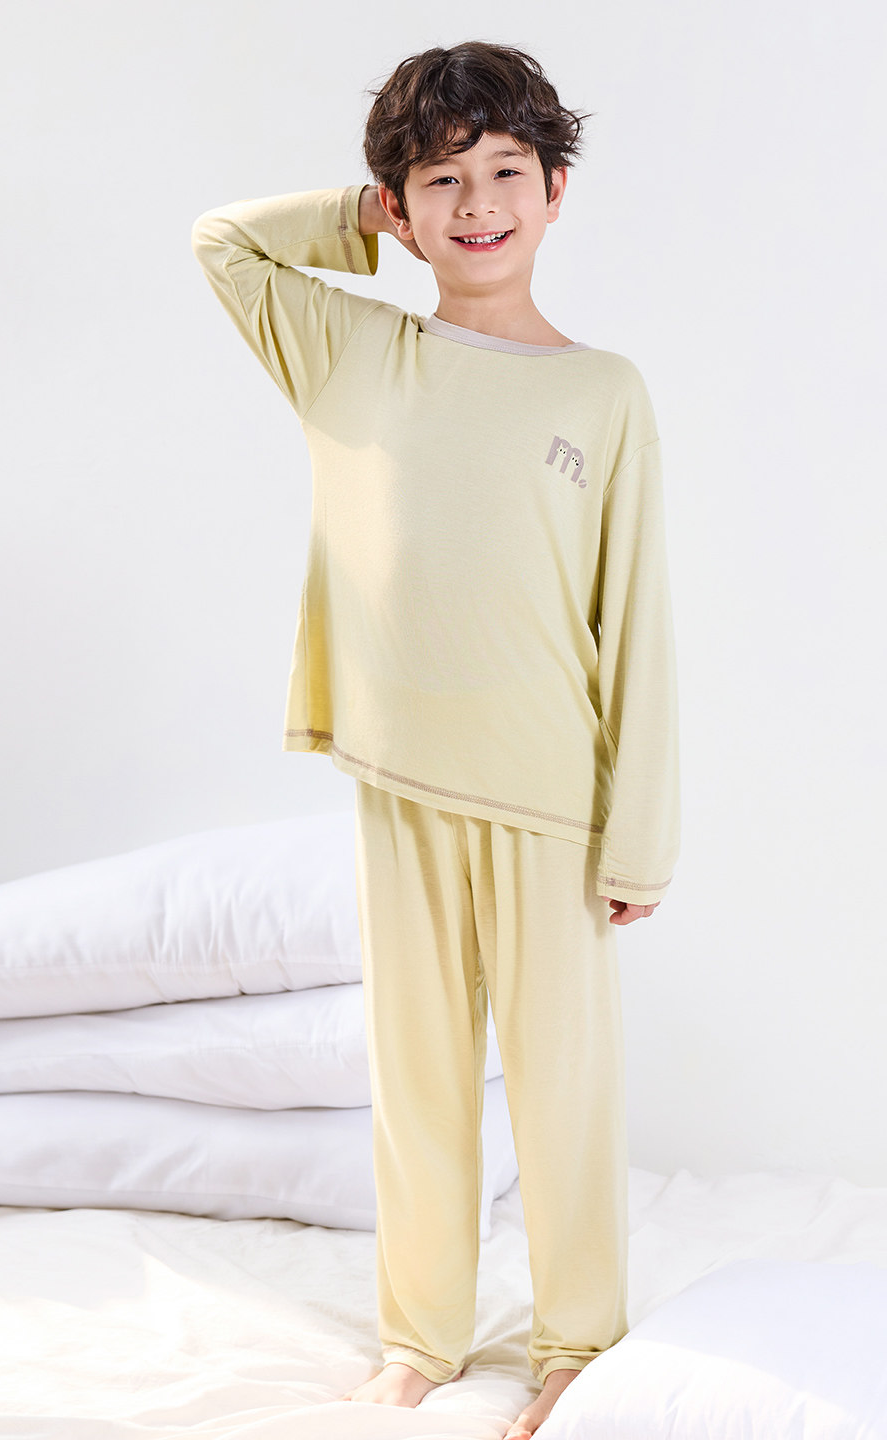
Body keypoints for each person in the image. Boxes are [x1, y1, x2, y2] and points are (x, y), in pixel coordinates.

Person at [190, 39, 679, 1439]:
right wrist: (359, 215)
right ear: (399, 207)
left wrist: (639, 832)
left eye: (506, 172)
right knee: (416, 1080)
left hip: (551, 800)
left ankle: (577, 1339)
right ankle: (423, 1332)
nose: (477, 205)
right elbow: (223, 244)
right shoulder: (350, 350)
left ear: (556, 190)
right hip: (399, 779)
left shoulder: (603, 393)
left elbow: (635, 619)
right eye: (440, 179)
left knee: (564, 1090)